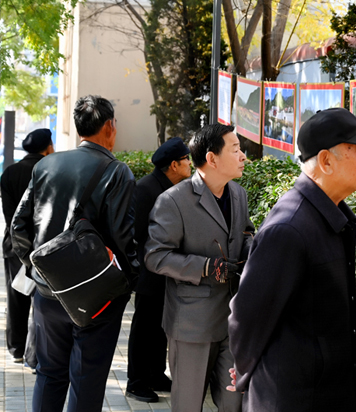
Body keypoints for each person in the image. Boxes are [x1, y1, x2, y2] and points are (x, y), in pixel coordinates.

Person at [228, 108, 356, 411]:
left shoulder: (329, 216)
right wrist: (245, 371)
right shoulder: (289, 228)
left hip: (327, 391)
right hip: (294, 397)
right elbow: (246, 316)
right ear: (326, 161)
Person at [11, 95, 138, 412]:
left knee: (49, 375)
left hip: (48, 293)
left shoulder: (45, 165)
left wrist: (39, 269)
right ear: (109, 127)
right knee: (86, 382)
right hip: (96, 298)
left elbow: (18, 226)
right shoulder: (117, 172)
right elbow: (125, 239)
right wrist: (129, 281)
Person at [144, 124, 254, 412]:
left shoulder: (239, 194)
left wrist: (254, 249)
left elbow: (245, 234)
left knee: (234, 403)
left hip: (233, 321)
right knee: (188, 405)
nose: (243, 156)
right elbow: (155, 256)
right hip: (191, 323)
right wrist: (204, 267)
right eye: (236, 149)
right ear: (212, 158)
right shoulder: (173, 201)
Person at [126, 137, 191, 403]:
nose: (190, 164)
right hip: (149, 274)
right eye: (187, 160)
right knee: (144, 327)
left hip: (166, 273)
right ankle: (136, 381)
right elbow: (135, 234)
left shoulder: (172, 186)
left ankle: (155, 374)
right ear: (174, 165)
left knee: (160, 327)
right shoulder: (147, 189)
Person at [1, 128, 54, 371]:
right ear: (48, 147)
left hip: (14, 245)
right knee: (42, 299)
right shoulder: (49, 170)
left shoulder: (9, 172)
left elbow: (10, 215)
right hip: (44, 246)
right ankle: (37, 355)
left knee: (16, 295)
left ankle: (16, 350)